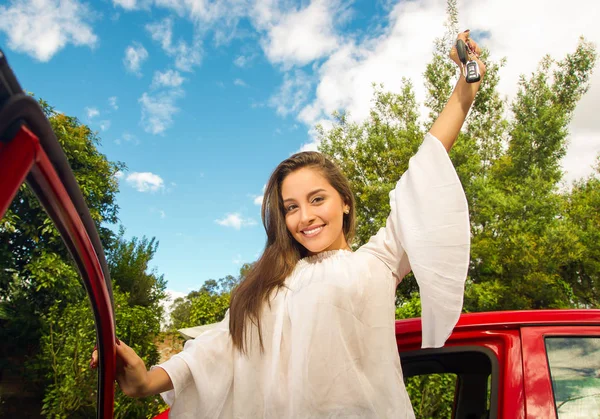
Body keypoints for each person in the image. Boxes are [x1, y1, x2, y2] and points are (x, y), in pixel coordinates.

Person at [91, 30, 485, 418]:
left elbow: (423, 169)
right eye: (290, 207)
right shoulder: (269, 285)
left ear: (344, 203)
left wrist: (463, 93)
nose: (305, 217)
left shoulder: (378, 262)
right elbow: (219, 348)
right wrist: (145, 381)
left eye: (317, 200)